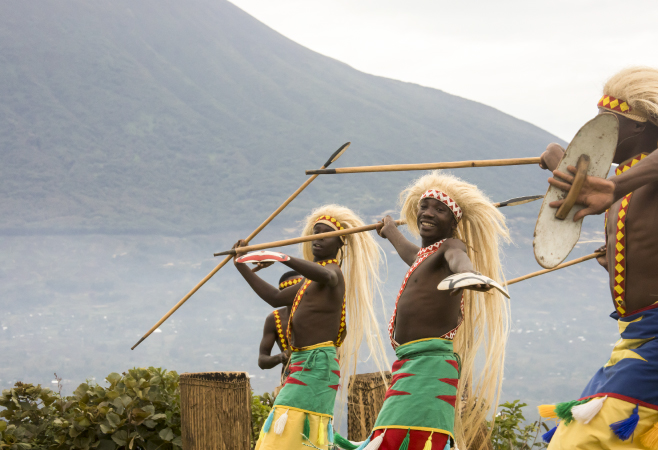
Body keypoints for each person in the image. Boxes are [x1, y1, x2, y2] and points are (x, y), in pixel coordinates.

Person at [537, 67, 658, 449]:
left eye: (611, 124)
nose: (599, 133)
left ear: (640, 128)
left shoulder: (633, 178)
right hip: (635, 335)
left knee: (579, 440)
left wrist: (613, 186)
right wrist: (564, 160)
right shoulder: (627, 177)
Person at [367, 171, 510, 450]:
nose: (428, 213)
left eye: (440, 209)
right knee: (394, 436)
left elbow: (460, 260)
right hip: (408, 362)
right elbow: (408, 251)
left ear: (454, 221)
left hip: (431, 364)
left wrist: (468, 276)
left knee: (405, 438)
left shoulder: (451, 247)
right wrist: (389, 230)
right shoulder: (423, 257)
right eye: (424, 206)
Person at [233, 205, 389, 450]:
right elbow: (275, 297)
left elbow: (325, 276)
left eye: (326, 234)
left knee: (290, 428)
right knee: (290, 429)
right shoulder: (308, 282)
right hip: (303, 362)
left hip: (317, 364)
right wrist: (240, 263)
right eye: (315, 233)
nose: (318, 238)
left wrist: (282, 257)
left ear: (340, 243)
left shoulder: (332, 273)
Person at [257, 271, 302, 386]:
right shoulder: (274, 319)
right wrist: (280, 357)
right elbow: (262, 360)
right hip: (290, 379)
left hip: (319, 375)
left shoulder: (316, 313)